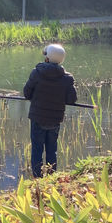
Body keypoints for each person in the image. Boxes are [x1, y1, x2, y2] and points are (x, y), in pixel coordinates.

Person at [23, 43, 77, 178]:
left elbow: (27, 94)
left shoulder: (36, 73)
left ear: (47, 58)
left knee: (37, 150)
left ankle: (37, 179)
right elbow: (71, 100)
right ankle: (52, 177)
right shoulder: (67, 78)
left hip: (37, 119)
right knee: (52, 150)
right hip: (54, 121)